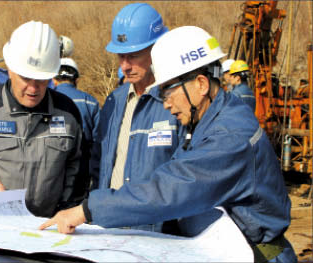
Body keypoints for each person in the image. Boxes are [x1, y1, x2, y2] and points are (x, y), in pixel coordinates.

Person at [39, 26, 297, 262]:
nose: (165, 103)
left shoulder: (229, 135)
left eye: (168, 91)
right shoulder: (208, 121)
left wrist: (87, 209)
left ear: (201, 84)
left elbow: (172, 188)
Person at [0, 21, 88, 218]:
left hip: (50, 228)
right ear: (10, 69)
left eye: (41, 79)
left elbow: (78, 168)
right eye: (26, 78)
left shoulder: (68, 113)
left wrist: (68, 209)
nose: (33, 88)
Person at [89, 2, 184, 233]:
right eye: (121, 56)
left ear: (157, 49)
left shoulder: (176, 100)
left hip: (156, 233)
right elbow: (98, 162)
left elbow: (184, 173)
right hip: (110, 227)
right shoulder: (114, 101)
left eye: (133, 56)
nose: (125, 66)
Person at [52, 57, 100, 187]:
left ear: (54, 79)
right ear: (76, 80)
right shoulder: (90, 101)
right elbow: (99, 138)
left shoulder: (46, 100)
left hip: (51, 167)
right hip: (83, 167)